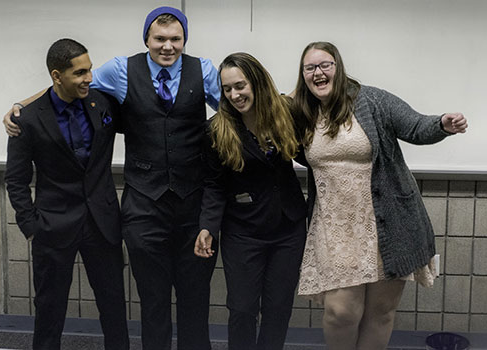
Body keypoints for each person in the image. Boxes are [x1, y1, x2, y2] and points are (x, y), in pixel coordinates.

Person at [3, 7, 221, 350]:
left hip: (185, 207)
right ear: (146, 38)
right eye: (159, 39)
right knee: (150, 304)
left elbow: (241, 104)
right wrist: (19, 106)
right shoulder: (120, 70)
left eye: (175, 39)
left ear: (185, 40)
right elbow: (64, 86)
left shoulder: (203, 70)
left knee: (182, 304)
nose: (167, 46)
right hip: (138, 208)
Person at [290, 41, 468, 350]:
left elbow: (415, 125)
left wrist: (442, 124)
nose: (318, 72)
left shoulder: (371, 100)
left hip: (387, 221)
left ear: (337, 67)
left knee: (381, 312)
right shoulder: (302, 112)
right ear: (303, 75)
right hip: (334, 227)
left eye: (325, 65)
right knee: (340, 312)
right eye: (310, 68)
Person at [4, 38, 129, 350]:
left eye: (89, 69)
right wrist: (30, 226)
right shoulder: (28, 119)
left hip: (102, 223)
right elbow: (16, 179)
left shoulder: (103, 103)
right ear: (57, 76)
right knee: (50, 309)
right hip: (52, 225)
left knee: (114, 306)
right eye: (80, 73)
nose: (89, 77)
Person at [194, 52, 307, 350]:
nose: (234, 94)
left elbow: (308, 155)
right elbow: (213, 185)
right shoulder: (217, 130)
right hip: (243, 231)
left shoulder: (285, 113)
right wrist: (207, 226)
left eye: (240, 86)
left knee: (278, 308)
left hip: (289, 228)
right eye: (228, 88)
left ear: (256, 82)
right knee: (242, 309)